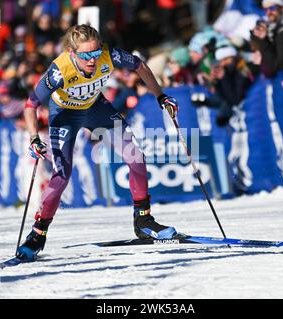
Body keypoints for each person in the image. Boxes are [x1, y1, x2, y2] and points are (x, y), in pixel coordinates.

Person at [18, 24, 179, 261]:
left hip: (95, 108)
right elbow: (31, 105)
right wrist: (33, 137)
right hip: (65, 115)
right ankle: (38, 233)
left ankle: (143, 220)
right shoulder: (58, 71)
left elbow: (140, 65)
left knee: (135, 156)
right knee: (62, 174)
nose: (92, 60)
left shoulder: (108, 54)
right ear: (73, 53)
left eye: (95, 53)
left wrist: (161, 95)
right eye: (86, 55)